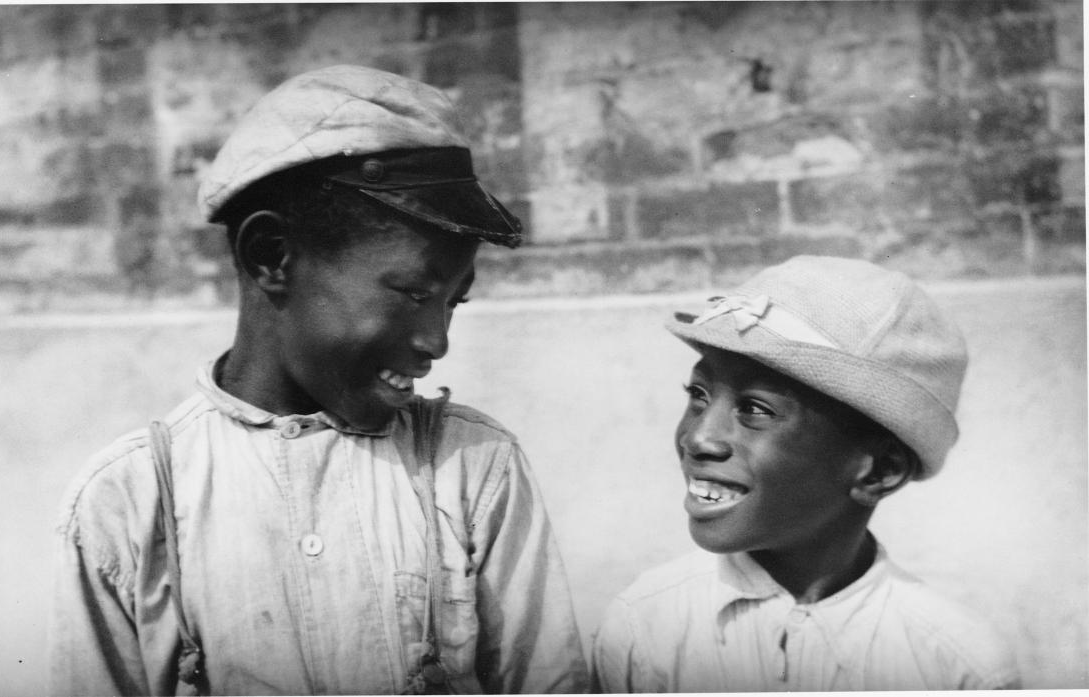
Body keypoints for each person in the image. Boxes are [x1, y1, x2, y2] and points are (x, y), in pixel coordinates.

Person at [50, 65, 589, 696]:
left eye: (453, 302)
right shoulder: (127, 504)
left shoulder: (474, 468)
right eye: (414, 292)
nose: (437, 340)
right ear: (271, 256)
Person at [591, 255, 1021, 691]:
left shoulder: (956, 664)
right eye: (698, 396)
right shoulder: (644, 626)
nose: (699, 437)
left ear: (879, 472)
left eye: (756, 410)